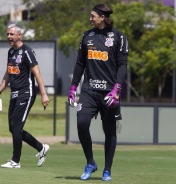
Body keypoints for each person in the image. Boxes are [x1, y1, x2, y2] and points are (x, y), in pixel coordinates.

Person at [68, 3, 128, 181]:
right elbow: (80, 64)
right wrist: (73, 87)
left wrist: (117, 89)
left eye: (93, 16)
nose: (90, 18)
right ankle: (90, 162)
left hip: (109, 93)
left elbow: (122, 65)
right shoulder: (87, 36)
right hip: (88, 90)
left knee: (109, 131)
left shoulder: (119, 37)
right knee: (81, 123)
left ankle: (107, 170)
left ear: (103, 17)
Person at [0, 24, 50, 168]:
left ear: (19, 35)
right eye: (7, 34)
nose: (9, 37)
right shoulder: (11, 52)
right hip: (15, 94)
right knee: (13, 128)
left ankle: (15, 161)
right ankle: (40, 147)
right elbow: (7, 74)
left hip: (26, 94)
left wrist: (44, 94)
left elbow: (37, 74)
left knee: (16, 126)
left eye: (12, 34)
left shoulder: (27, 52)